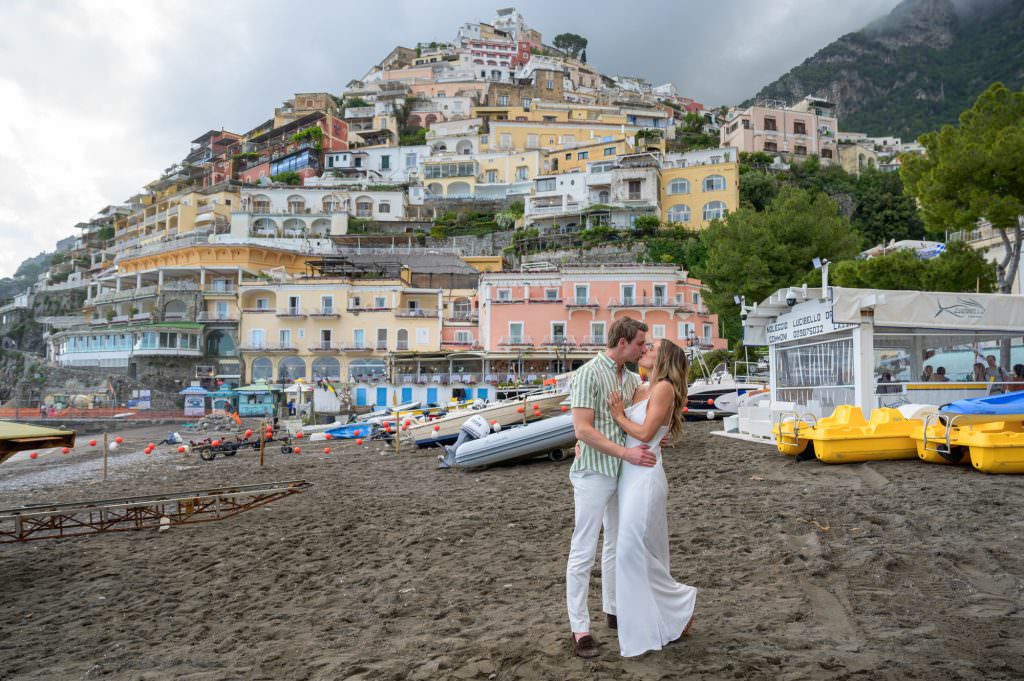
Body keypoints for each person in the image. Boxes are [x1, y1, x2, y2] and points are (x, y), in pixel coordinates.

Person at [566, 317, 656, 659]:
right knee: (584, 548)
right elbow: (582, 430)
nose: (642, 349)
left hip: (622, 473)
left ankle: (614, 609)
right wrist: (626, 453)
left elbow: (659, 391)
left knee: (617, 543)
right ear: (622, 343)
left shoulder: (631, 378)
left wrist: (656, 363)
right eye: (639, 345)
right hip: (593, 470)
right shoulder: (589, 373)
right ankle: (580, 629)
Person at [608, 338, 697, 657]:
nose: (644, 351)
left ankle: (681, 600)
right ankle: (670, 613)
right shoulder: (639, 387)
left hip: (645, 473)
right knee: (637, 549)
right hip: (628, 473)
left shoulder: (664, 388)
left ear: (665, 358)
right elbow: (625, 433)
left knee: (631, 548)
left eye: (651, 348)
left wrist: (618, 415)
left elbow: (644, 434)